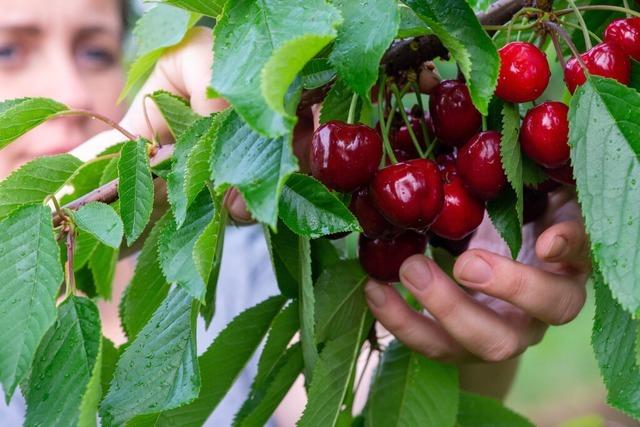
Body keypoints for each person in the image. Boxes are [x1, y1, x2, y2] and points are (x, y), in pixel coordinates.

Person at [0, 0, 591, 425]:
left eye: (96, 49)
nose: (69, 90)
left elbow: (353, 409)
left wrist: (471, 317)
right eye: (8, 49)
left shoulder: (243, 251)